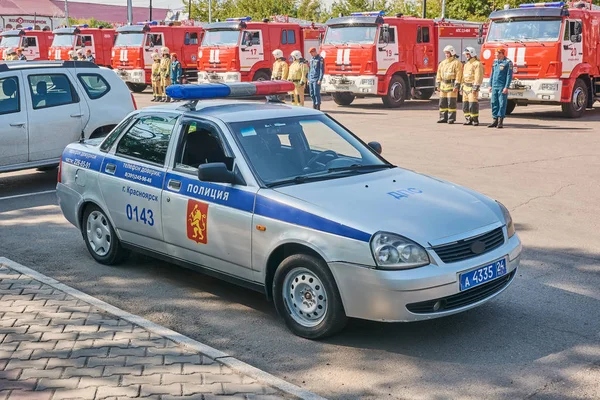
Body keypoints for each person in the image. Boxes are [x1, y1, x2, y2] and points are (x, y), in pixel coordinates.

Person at [435, 45, 463, 124]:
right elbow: (439, 74)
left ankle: (451, 118)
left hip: (451, 86)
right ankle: (443, 117)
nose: (446, 55)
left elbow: (459, 75)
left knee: (451, 103)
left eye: (448, 53)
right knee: (442, 103)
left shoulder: (457, 63)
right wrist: (438, 84)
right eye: (446, 53)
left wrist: (456, 86)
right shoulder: (442, 63)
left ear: (452, 53)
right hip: (443, 86)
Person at [488, 48, 514, 129]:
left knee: (502, 103)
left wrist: (506, 87)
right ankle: (494, 120)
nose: (496, 55)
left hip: (502, 86)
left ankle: (500, 121)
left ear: (501, 54)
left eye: (497, 53)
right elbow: (492, 74)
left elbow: (509, 76)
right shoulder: (495, 62)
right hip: (495, 86)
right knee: (493, 103)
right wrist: (490, 85)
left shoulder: (508, 63)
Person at [461, 47, 484, 126]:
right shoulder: (466, 64)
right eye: (466, 54)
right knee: (465, 105)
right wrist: (461, 87)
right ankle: (468, 119)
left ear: (472, 54)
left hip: (472, 87)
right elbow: (463, 76)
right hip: (465, 87)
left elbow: (478, 76)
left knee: (473, 105)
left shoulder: (477, 64)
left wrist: (475, 87)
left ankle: (475, 120)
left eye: (468, 54)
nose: (466, 56)